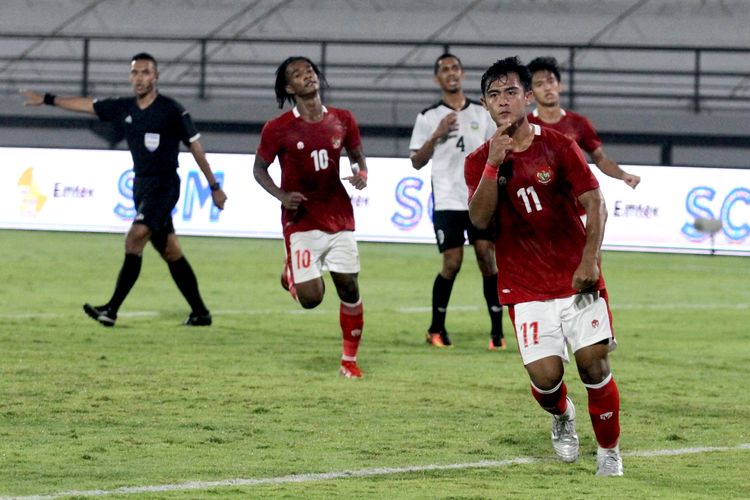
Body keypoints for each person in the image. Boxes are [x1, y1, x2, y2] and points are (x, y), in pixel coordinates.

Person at [465, 56, 623, 476]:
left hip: (576, 278)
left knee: (594, 363)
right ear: (484, 104)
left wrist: (590, 259)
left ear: (527, 97)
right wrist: (493, 164)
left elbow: (595, 203)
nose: (503, 101)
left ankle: (609, 451)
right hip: (524, 287)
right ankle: (561, 414)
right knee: (546, 380)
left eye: (511, 92)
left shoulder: (559, 145)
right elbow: (479, 220)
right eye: (494, 94)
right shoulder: (480, 160)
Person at [20, 52, 227, 327]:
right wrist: (47, 99)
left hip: (165, 186)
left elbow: (196, 148)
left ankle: (111, 310)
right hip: (141, 187)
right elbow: (88, 105)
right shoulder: (125, 108)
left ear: (156, 76)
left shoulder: (172, 110)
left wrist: (214, 186)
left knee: (134, 238)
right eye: (135, 73)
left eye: (145, 72)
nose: (139, 78)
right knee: (171, 251)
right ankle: (201, 313)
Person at [253, 56, 368, 379]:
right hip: (300, 220)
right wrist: (281, 195)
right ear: (289, 87)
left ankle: (349, 361)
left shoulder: (343, 119)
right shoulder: (278, 129)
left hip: (340, 216)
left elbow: (357, 155)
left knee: (349, 287)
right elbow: (258, 170)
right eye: (297, 74)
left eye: (310, 70)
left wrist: (362, 172)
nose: (307, 76)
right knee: (311, 300)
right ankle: (292, 272)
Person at [409, 53, 506, 350]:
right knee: (452, 262)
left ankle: (497, 333)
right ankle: (436, 329)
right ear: (437, 79)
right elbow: (416, 162)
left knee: (487, 259)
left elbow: (500, 149)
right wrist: (436, 135)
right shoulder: (428, 117)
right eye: (444, 69)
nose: (451, 73)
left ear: (462, 74)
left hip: (481, 198)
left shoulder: (482, 112)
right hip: (447, 200)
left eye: (455, 68)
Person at [527, 56, 640, 190]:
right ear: (531, 93)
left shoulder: (579, 123)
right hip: (538, 197)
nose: (547, 88)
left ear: (559, 86)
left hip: (574, 197)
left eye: (551, 81)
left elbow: (600, 158)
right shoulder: (525, 125)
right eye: (539, 84)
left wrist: (622, 175)